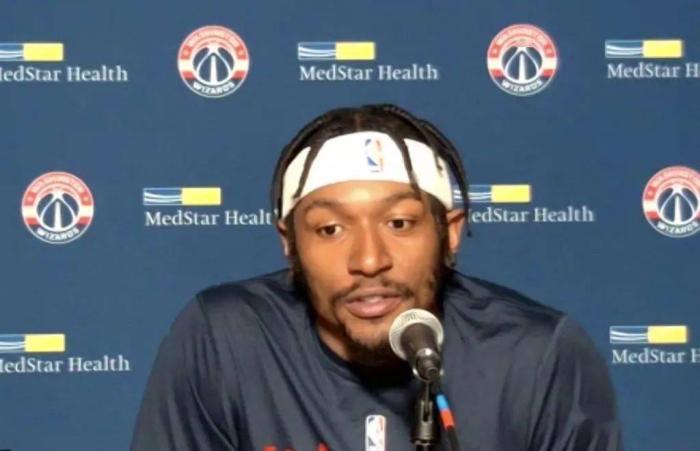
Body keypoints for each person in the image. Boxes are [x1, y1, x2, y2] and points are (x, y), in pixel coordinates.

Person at [131, 104, 622, 450]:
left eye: (399, 223)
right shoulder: (225, 338)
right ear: (290, 244)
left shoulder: (537, 356)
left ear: (450, 232)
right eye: (330, 229)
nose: (369, 260)